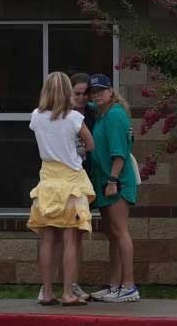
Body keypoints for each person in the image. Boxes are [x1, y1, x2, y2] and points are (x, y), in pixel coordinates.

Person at [28, 72, 96, 307]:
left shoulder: (36, 116)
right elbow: (90, 144)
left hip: (46, 181)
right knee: (70, 239)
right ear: (67, 91)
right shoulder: (74, 117)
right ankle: (68, 292)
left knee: (47, 239)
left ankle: (47, 291)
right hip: (71, 181)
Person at [86, 75, 140, 303]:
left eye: (101, 90)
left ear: (111, 91)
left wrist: (112, 180)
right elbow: (79, 101)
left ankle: (129, 286)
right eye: (93, 91)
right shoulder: (102, 113)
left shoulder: (115, 115)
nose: (96, 94)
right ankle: (114, 285)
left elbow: (119, 153)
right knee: (113, 235)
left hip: (116, 181)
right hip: (105, 182)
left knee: (120, 231)